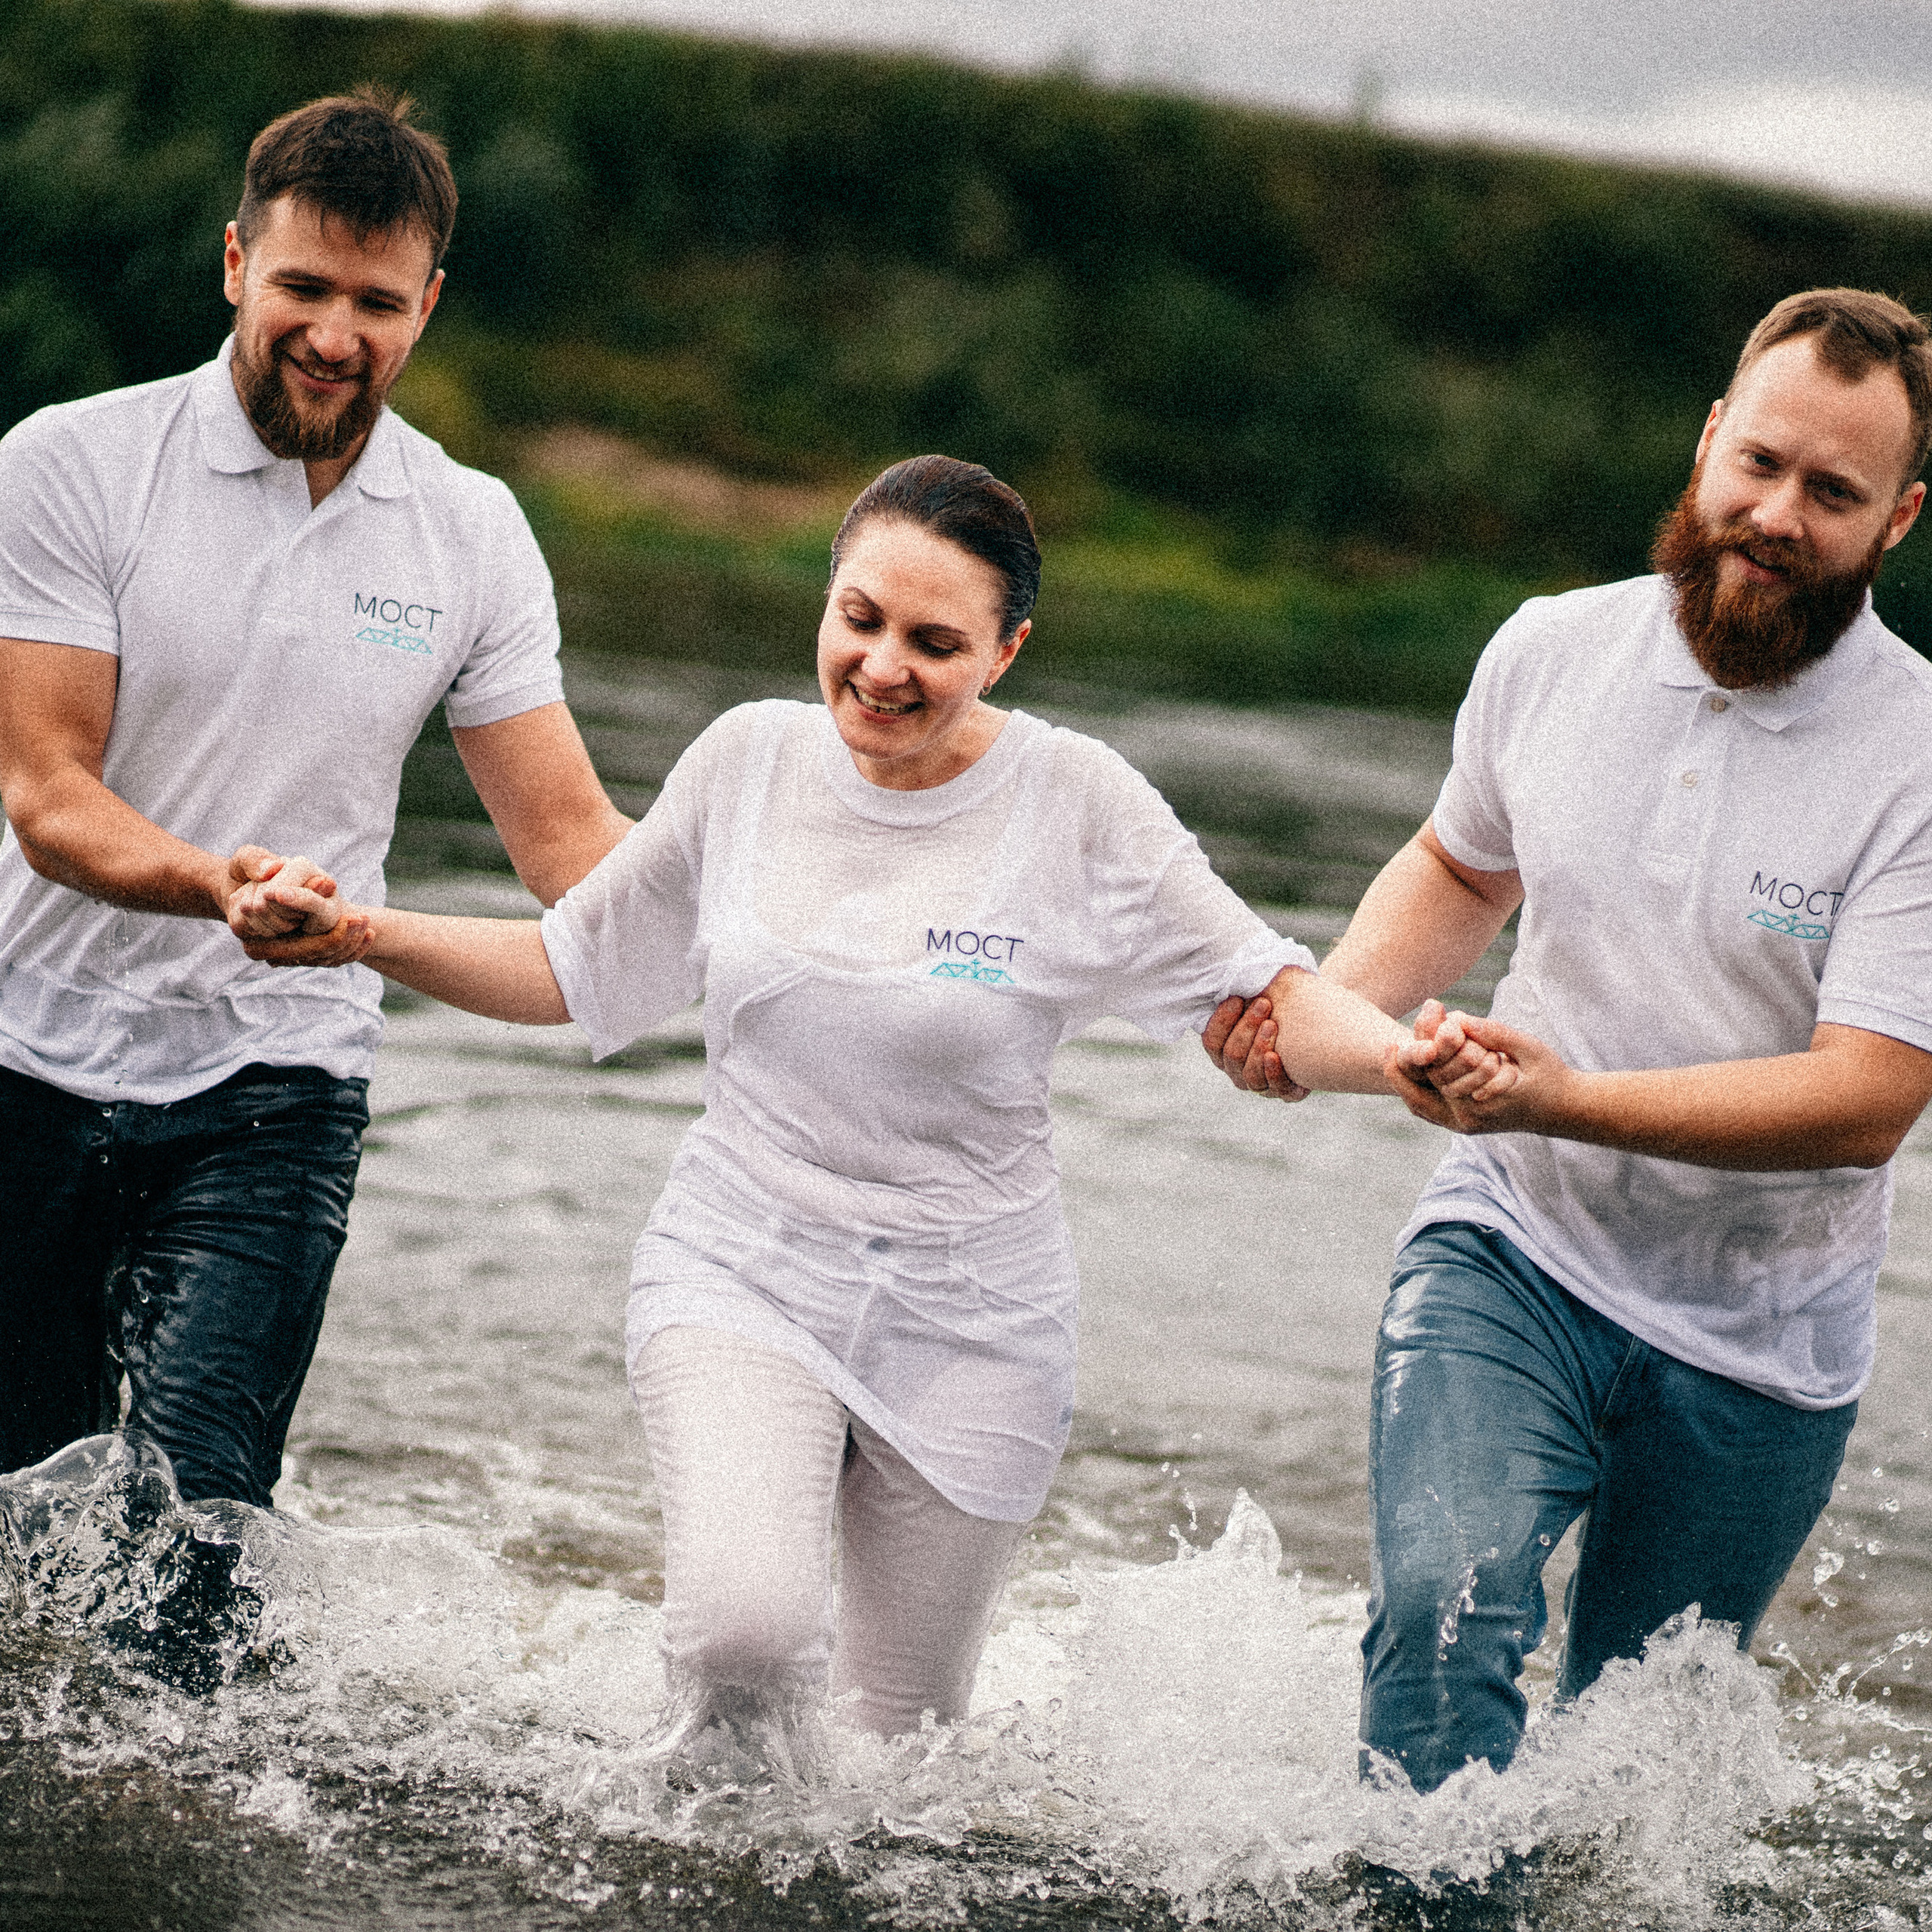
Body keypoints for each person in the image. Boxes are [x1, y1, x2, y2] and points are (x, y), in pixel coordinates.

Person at [248, 454, 1494, 1750]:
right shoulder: (745, 761)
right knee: (744, 1638)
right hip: (745, 1261)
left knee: (901, 1754)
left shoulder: (1078, 804)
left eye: (935, 642)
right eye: (861, 619)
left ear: (1007, 651)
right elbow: (574, 968)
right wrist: (361, 934)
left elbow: (1267, 993)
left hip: (976, 1318)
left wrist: (1403, 1062)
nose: (884, 667)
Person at [1204, 288, 1932, 1794]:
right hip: (1511, 1248)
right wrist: (1323, 1016)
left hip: (1758, 1341)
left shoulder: (1915, 755)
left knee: (1625, 1762)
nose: (1773, 514)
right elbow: (1462, 867)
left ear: (1896, 520)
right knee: (1438, 1611)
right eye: (1757, 462)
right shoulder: (1549, 648)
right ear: (1706, 437)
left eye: (1830, 492)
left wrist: (1565, 1094)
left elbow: (1866, 1095)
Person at [0, 91, 629, 1509]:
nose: (336, 335)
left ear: (430, 305)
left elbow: (573, 848)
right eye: (303, 287)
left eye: (378, 301)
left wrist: (793, 898)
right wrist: (222, 884)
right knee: (26, 1515)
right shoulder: (70, 466)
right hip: (24, 1058)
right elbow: (49, 796)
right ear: (236, 265)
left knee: (199, 1532)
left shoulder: (469, 531)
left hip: (277, 1080)